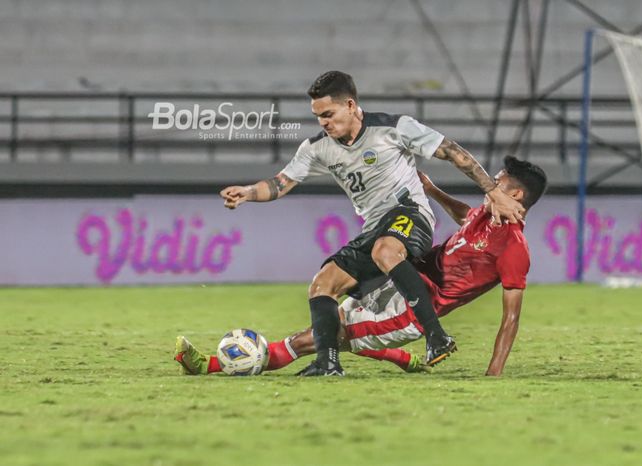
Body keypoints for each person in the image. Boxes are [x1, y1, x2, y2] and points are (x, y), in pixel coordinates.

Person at [219, 71, 525, 376]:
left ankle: (436, 336)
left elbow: (453, 152)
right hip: (374, 227)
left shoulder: (393, 129)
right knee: (322, 284)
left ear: (350, 105)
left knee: (385, 251)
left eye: (328, 114)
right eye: (318, 117)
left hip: (411, 213)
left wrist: (493, 191)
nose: (323, 123)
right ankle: (328, 364)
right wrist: (247, 193)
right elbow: (280, 183)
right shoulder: (317, 148)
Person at [177, 156, 546, 377]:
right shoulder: (484, 216)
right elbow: (465, 216)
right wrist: (432, 191)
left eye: (498, 181)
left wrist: (494, 373)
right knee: (327, 326)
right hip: (400, 282)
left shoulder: (514, 248)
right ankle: (403, 359)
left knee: (315, 339)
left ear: (515, 195)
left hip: (411, 311)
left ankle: (210, 365)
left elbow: (510, 318)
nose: (491, 183)